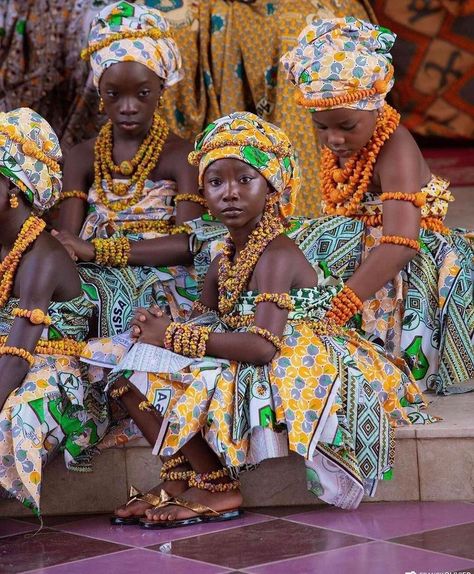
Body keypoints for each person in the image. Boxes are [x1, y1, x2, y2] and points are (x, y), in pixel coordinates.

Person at [82, 111, 434, 529]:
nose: (229, 193)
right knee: (119, 366)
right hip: (244, 346)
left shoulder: (276, 254)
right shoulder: (223, 256)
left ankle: (218, 485)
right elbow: (207, 322)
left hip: (292, 360)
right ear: (203, 192)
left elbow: (263, 346)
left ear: (271, 188)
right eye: (216, 183)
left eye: (244, 180)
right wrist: (155, 329)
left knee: (167, 373)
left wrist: (172, 337)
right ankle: (178, 478)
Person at [281, 17, 474, 394]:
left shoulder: (395, 147)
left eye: (346, 126)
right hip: (364, 254)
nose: (333, 138)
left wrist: (342, 304)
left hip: (401, 265)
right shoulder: (348, 144)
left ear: (376, 105)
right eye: (321, 127)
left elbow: (401, 243)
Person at [53, 2, 205, 336]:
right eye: (114, 94)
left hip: (164, 283)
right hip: (91, 278)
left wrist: (99, 250)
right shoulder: (81, 157)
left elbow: (190, 243)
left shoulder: (182, 155)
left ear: (162, 89)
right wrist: (85, 255)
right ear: (99, 91)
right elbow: (67, 239)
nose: (128, 107)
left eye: (142, 93)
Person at [0, 107, 108, 516]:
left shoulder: (40, 255)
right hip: (11, 355)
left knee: (18, 416)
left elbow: (15, 362)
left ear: (14, 188)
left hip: (53, 368)